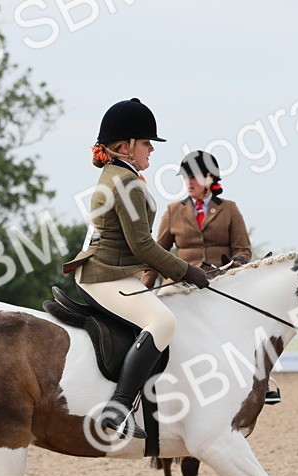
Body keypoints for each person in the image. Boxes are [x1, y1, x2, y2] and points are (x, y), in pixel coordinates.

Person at [62, 98, 210, 439]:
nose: (151, 150)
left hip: (112, 270)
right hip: (103, 275)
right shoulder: (125, 182)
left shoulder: (121, 175)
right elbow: (141, 245)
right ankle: (118, 407)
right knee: (163, 322)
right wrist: (186, 271)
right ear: (126, 146)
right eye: (146, 143)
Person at [153, 151, 279, 403]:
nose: (188, 182)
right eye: (186, 177)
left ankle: (262, 380)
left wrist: (239, 262)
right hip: (180, 282)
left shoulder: (229, 209)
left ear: (210, 178)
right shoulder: (173, 211)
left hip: (218, 281)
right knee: (159, 319)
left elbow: (243, 248)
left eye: (194, 177)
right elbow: (157, 252)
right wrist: (145, 287)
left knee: (247, 322)